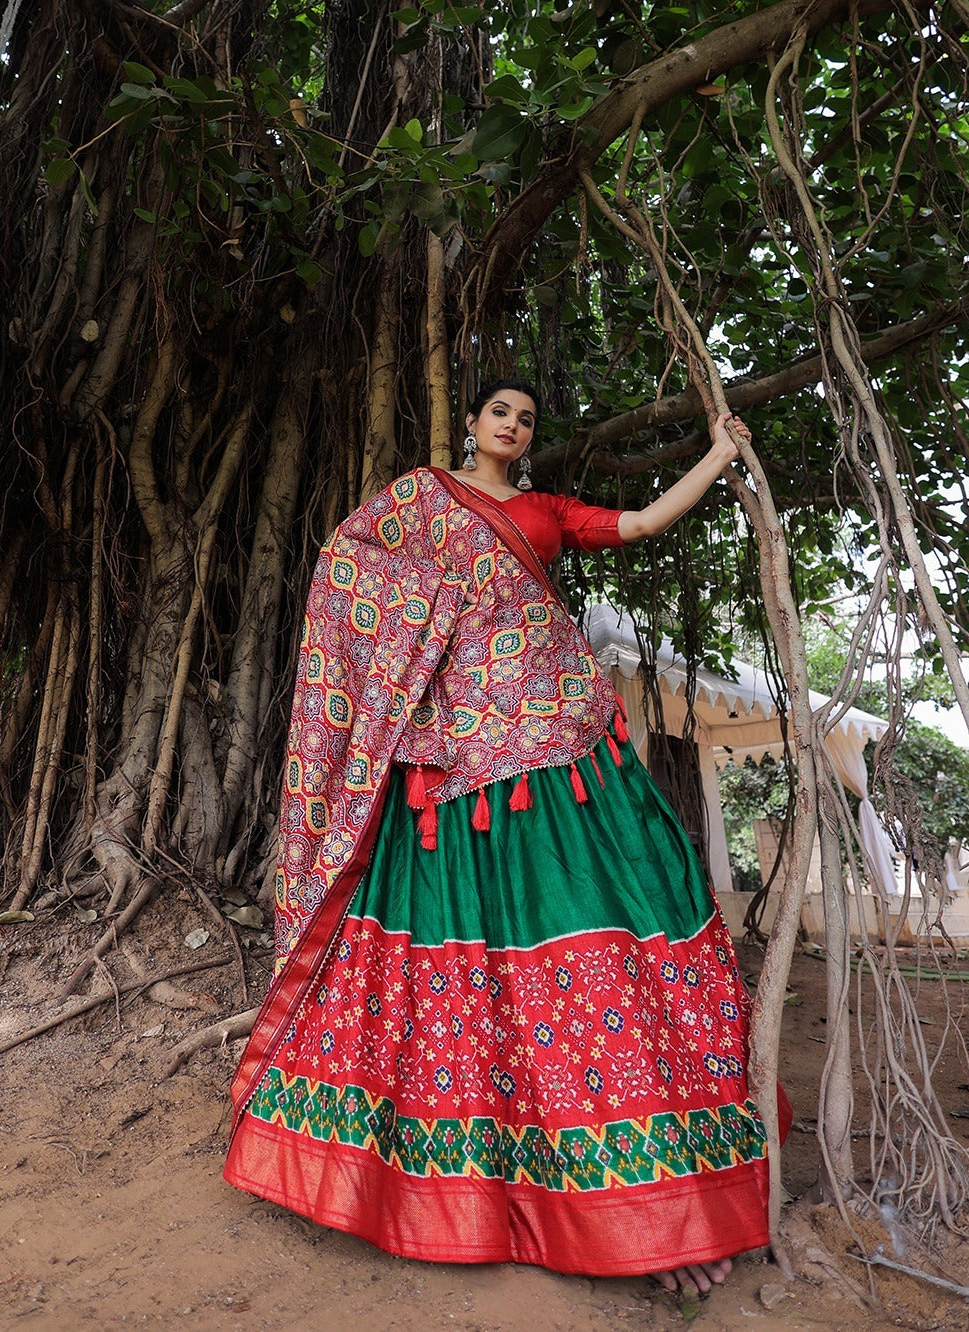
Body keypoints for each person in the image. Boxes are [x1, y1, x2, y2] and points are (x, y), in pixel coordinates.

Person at [224, 380, 787, 1295]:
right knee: (451, 939)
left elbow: (641, 523)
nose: (514, 426)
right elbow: (347, 567)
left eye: (527, 419)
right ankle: (433, 1175)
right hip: (451, 747)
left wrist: (721, 455)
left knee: (603, 910)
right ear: (474, 423)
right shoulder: (418, 501)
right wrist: (417, 652)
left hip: (555, 731)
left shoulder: (547, 511)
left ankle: (659, 1203)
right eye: (501, 413)